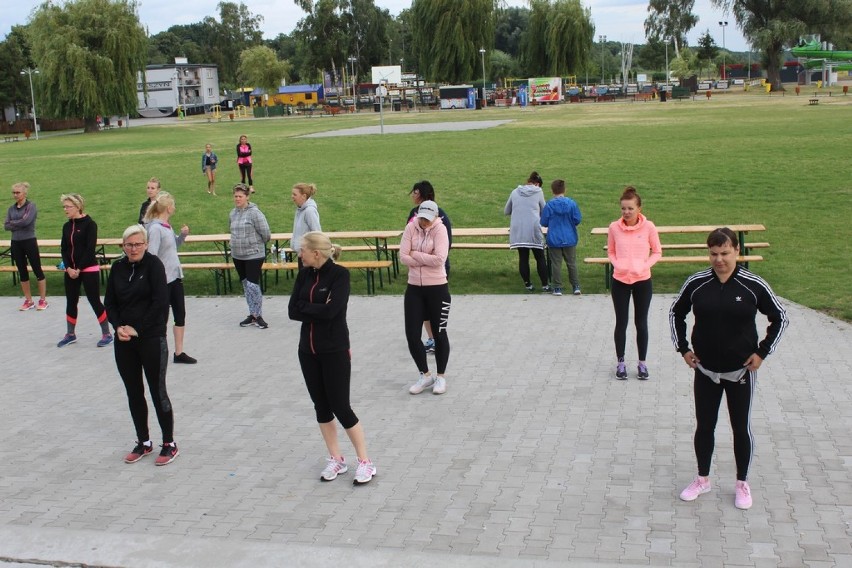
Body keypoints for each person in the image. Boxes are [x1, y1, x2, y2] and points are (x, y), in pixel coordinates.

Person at [670, 228, 788, 509]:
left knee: (740, 427)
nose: (719, 260)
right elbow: (676, 312)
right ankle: (702, 479)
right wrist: (683, 348)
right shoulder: (697, 283)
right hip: (706, 371)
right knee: (705, 426)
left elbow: (780, 317)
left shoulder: (752, 284)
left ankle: (742, 483)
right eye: (713, 254)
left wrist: (762, 352)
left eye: (725, 253)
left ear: (737, 251)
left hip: (741, 373)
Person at [288, 231, 376, 485]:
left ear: (316, 252)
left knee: (341, 406)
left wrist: (310, 308)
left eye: (302, 248)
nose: (299, 252)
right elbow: (293, 310)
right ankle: (336, 458)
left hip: (334, 349)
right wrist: (316, 308)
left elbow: (332, 311)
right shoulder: (304, 273)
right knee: (321, 407)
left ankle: (365, 462)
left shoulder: (340, 275)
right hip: (308, 351)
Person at [104, 224, 179, 466]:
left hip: (151, 337)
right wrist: (118, 327)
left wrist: (139, 328)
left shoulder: (154, 265)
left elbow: (160, 302)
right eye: (129, 244)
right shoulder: (117, 268)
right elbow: (110, 302)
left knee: (158, 391)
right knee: (134, 391)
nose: (133, 248)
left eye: (138, 244)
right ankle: (143, 441)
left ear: (146, 245)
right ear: (122, 246)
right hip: (124, 338)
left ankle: (169, 443)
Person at [607, 186, 661, 380]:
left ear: (639, 208)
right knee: (621, 322)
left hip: (642, 280)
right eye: (623, 209)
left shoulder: (649, 227)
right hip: (620, 280)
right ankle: (621, 363)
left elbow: (657, 251)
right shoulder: (614, 227)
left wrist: (644, 265)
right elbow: (611, 251)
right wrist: (618, 264)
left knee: (641, 323)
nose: (626, 212)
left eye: (630, 208)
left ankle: (642, 364)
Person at [400, 200, 451, 395]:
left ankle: (441, 376)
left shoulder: (440, 230)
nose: (424, 222)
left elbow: (440, 259)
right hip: (414, 288)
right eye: (422, 218)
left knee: (439, 333)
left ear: (435, 217)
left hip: (438, 288)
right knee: (412, 335)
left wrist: (416, 255)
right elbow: (403, 256)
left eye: (428, 219)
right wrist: (421, 257)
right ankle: (425, 374)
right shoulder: (410, 228)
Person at [143, 192, 196, 364]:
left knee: (180, 313)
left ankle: (179, 352)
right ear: (168, 208)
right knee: (161, 317)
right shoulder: (156, 229)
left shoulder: (166, 226)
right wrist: (155, 281)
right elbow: (152, 256)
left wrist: (183, 236)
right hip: (163, 281)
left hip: (175, 277)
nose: (174, 208)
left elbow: (174, 245)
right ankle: (158, 350)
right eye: (173, 205)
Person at [58, 193, 113, 348]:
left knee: (94, 300)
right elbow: (64, 249)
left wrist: (79, 268)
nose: (65, 209)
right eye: (64, 206)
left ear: (78, 207)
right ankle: (70, 334)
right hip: (70, 271)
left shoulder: (90, 224)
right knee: (71, 300)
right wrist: (68, 267)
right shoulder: (66, 226)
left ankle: (107, 333)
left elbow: (90, 250)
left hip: (88, 268)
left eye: (68, 206)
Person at [406, 180, 452, 353]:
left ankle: (438, 338)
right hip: (417, 272)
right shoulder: (413, 214)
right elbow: (407, 246)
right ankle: (431, 338)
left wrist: (419, 256)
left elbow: (445, 248)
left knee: (435, 309)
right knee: (422, 309)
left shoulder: (440, 216)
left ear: (423, 194)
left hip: (436, 271)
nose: (412, 195)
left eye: (415, 191)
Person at [230, 183, 270, 328]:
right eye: (235, 196)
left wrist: (254, 244)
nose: (237, 199)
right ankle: (252, 313)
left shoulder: (255, 213)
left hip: (253, 254)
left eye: (240, 196)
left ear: (247, 197)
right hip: (237, 255)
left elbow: (266, 233)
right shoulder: (232, 213)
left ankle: (258, 315)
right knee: (246, 285)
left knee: (253, 285)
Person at [4, 182, 48, 311]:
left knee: (37, 269)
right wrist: (17, 223)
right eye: (14, 193)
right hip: (16, 242)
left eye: (18, 192)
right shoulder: (11, 209)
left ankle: (43, 299)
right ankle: (28, 300)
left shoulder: (31, 206)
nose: (15, 195)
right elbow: (6, 225)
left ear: (24, 193)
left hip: (29, 241)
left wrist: (14, 223)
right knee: (22, 271)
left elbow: (27, 221)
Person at [505, 171, 548, 292]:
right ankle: (545, 285)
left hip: (518, 229)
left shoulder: (514, 192)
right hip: (533, 229)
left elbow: (506, 211)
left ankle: (528, 284)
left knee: (523, 257)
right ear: (538, 184)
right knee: (540, 257)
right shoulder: (538, 192)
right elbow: (544, 210)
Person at [540, 179, 582, 296]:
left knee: (556, 264)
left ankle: (557, 287)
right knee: (571, 263)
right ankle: (575, 286)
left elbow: (543, 222)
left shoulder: (549, 205)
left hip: (554, 238)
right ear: (564, 190)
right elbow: (577, 219)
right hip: (569, 237)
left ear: (552, 191)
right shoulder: (572, 204)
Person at [291, 182, 321, 268]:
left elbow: (317, 233)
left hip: (309, 256)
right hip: (302, 254)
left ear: (303, 196)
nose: (292, 196)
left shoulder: (309, 211)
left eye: (294, 194)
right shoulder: (300, 210)